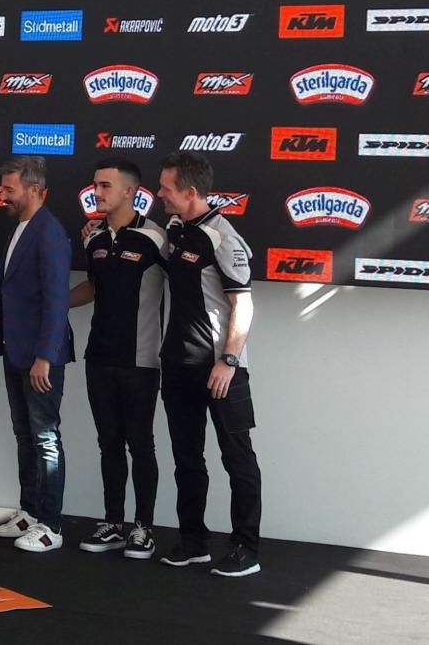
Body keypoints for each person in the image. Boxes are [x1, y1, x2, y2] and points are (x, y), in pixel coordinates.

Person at [155, 151, 262, 577]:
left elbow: (244, 305)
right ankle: (193, 541)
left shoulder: (224, 238)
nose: (159, 194)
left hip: (220, 370)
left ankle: (246, 549)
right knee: (186, 458)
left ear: (190, 192)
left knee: (238, 459)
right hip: (178, 365)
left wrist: (228, 361)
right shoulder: (175, 227)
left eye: (166, 188)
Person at [0, 156, 74, 552]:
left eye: (10, 189)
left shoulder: (49, 232)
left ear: (34, 189)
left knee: (45, 438)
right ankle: (30, 511)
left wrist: (45, 356)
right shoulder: (23, 227)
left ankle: (51, 525)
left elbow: (57, 299)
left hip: (39, 359)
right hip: (17, 352)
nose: (3, 196)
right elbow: (8, 281)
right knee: (25, 434)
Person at [70, 159, 167, 560]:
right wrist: (52, 304)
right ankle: (113, 522)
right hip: (99, 355)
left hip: (141, 359)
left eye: (105, 185)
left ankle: (144, 527)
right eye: (95, 184)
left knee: (140, 443)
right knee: (108, 443)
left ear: (130, 191)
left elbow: (189, 285)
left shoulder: (156, 237)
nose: (97, 192)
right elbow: (93, 287)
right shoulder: (93, 238)